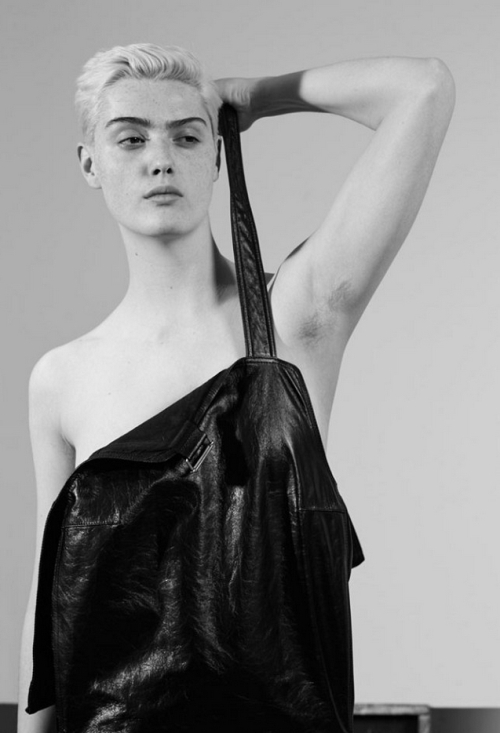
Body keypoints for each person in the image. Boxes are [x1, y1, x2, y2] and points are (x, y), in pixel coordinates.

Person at [18, 43, 455, 733]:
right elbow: (50, 608)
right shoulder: (61, 378)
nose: (161, 159)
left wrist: (252, 96)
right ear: (90, 163)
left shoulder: (294, 319)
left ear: (218, 156)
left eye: (187, 136)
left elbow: (422, 89)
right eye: (131, 138)